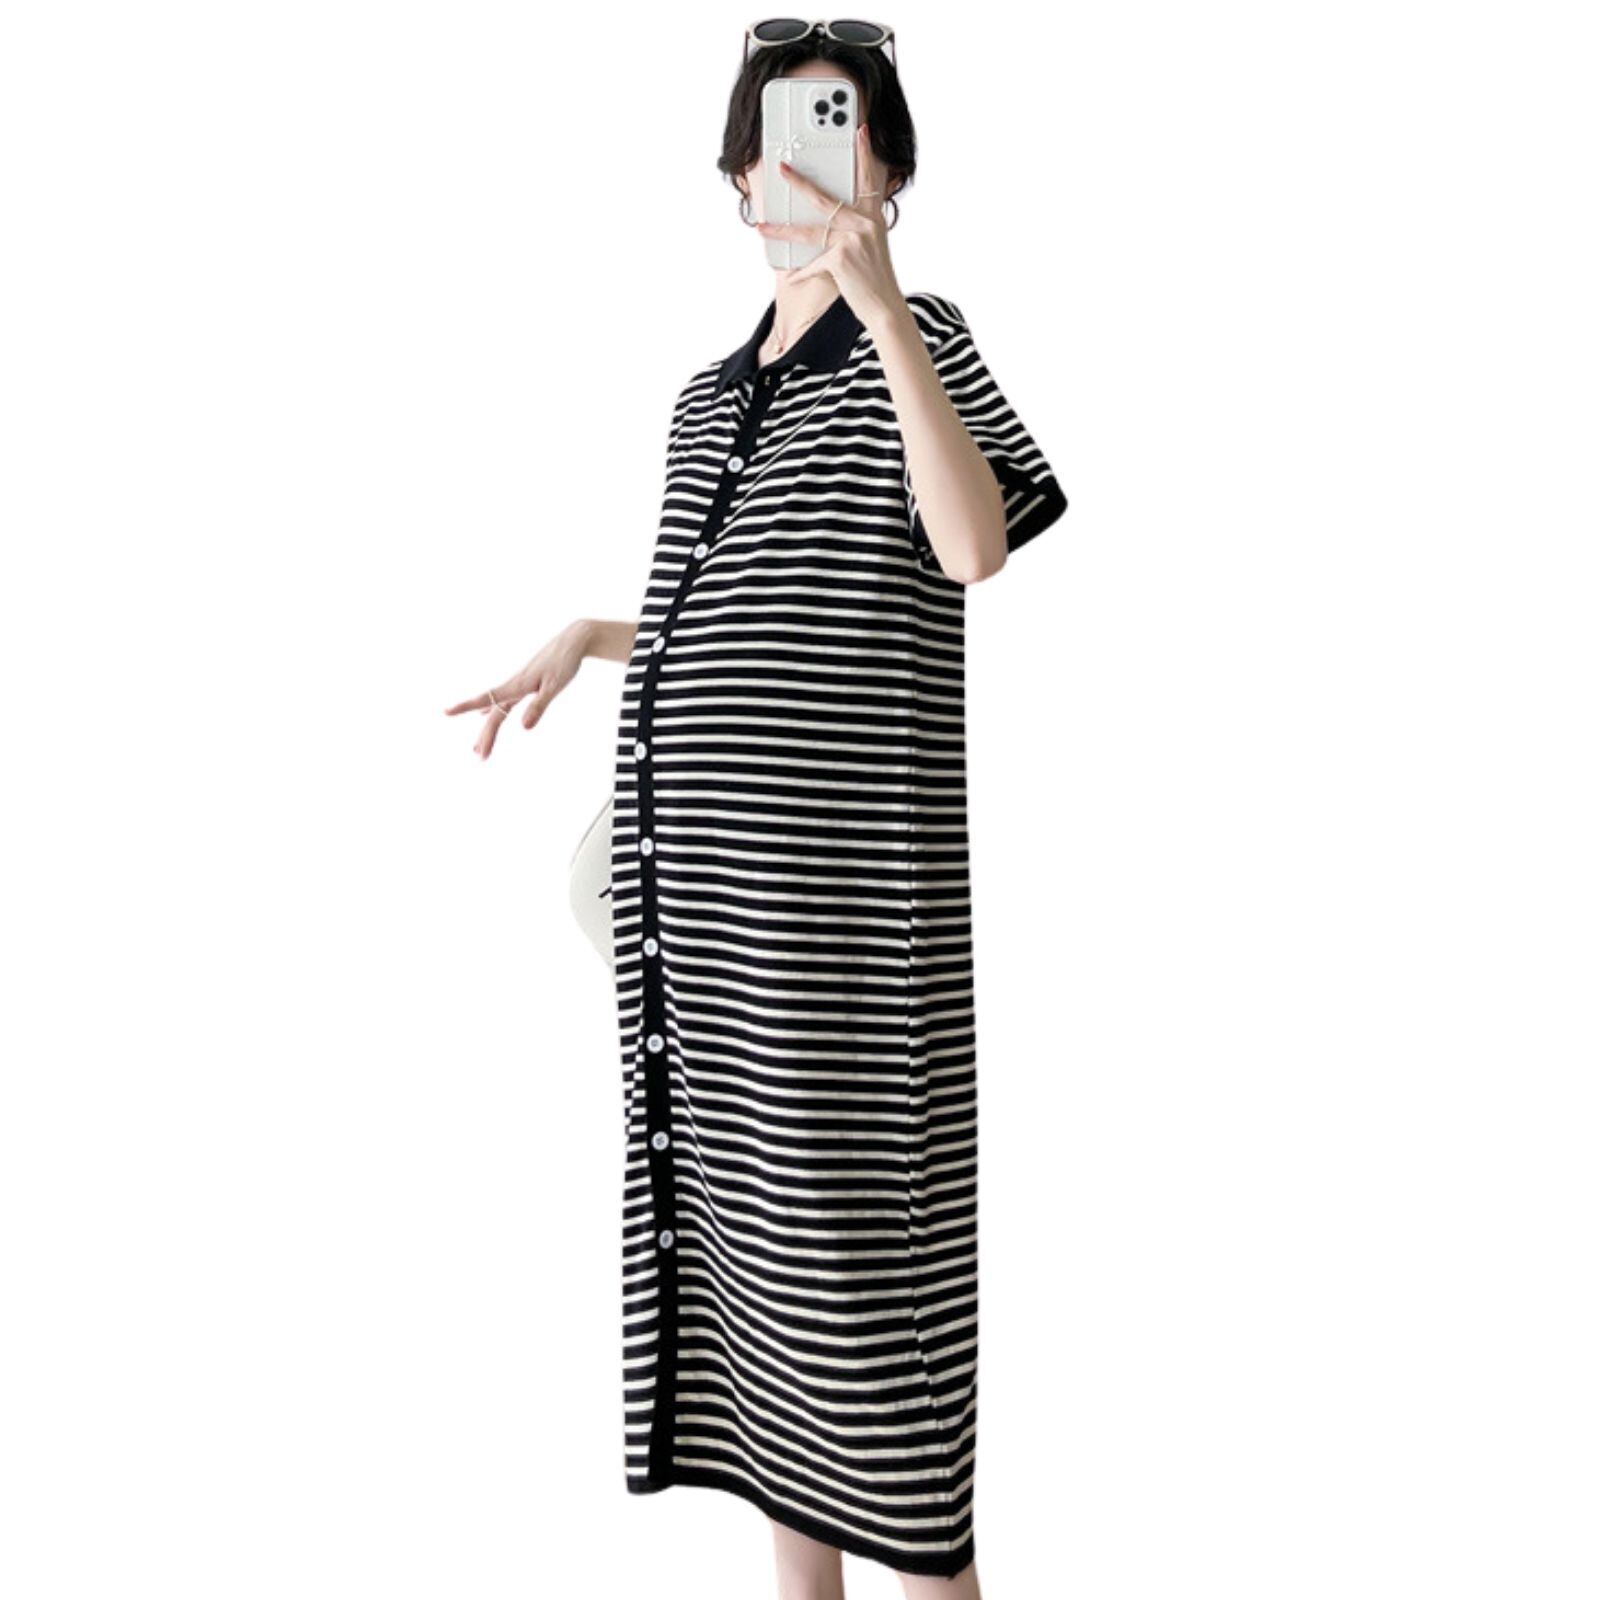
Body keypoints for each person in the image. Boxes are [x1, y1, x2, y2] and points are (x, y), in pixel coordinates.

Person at [447, 21, 1067, 1598]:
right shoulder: (701, 397)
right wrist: (593, 634)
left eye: (832, 133)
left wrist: (887, 311)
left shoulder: (923, 338)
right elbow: (728, 613)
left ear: (889, 168)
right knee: (763, 1319)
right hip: (699, 916)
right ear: (737, 180)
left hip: (834, 926)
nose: (793, 168)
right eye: (769, 144)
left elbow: (972, 547)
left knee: (869, 1318)